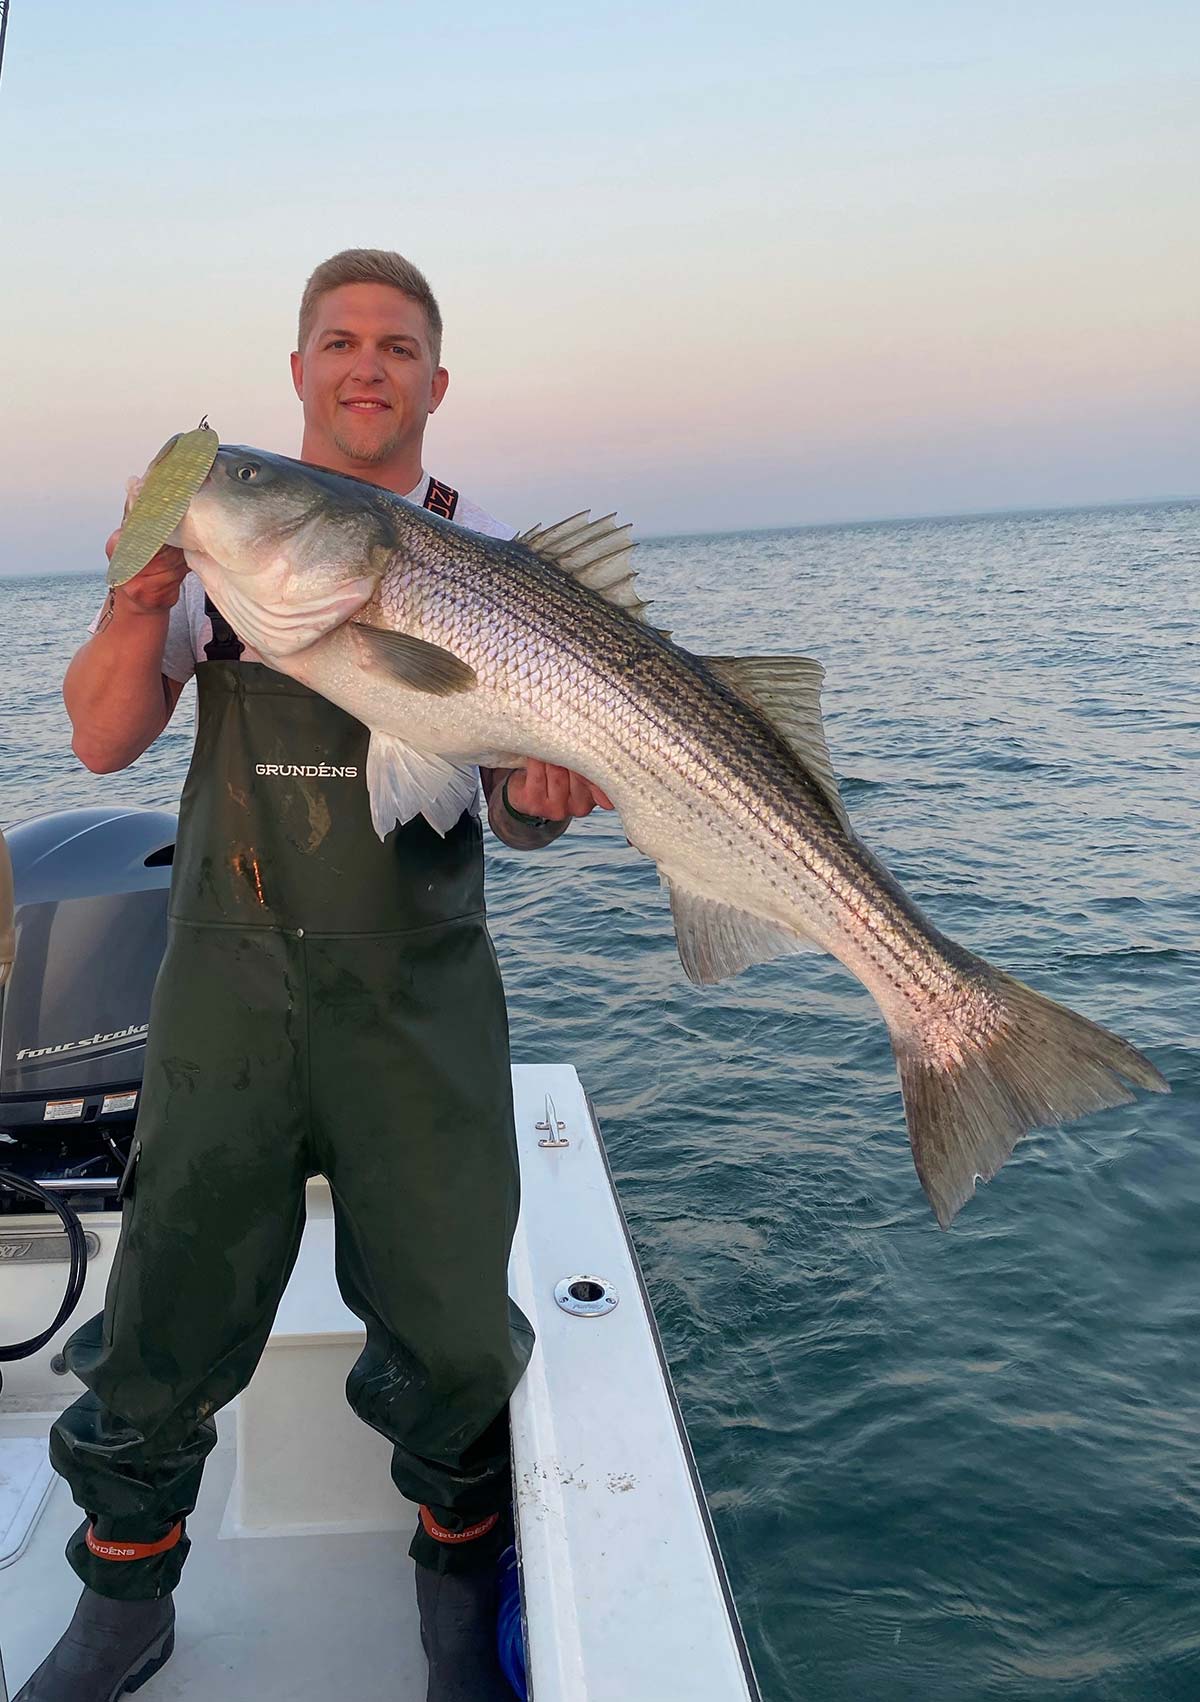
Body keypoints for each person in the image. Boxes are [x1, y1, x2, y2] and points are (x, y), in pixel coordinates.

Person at [18, 248, 612, 1702]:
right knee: (164, 1312)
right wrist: (133, 594)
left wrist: (547, 785)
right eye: (339, 341)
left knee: (458, 1322)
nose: (367, 365)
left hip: (418, 1001)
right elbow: (103, 738)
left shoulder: (500, 569)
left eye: (397, 345)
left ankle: (455, 1582)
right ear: (298, 372)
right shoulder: (240, 545)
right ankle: (125, 1593)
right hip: (228, 992)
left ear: (434, 381)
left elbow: (526, 810)